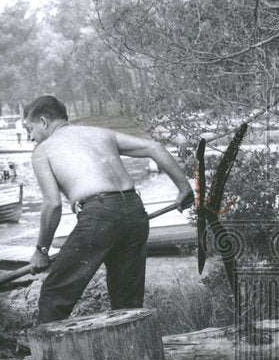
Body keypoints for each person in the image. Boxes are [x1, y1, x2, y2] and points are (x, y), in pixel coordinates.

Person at [22, 95, 194, 324]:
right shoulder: (100, 133)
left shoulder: (43, 150)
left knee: (54, 295)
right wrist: (184, 188)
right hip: (134, 210)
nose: (30, 137)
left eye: (29, 129)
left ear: (43, 121)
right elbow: (154, 147)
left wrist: (41, 250)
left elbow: (52, 204)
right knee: (127, 303)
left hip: (99, 215)